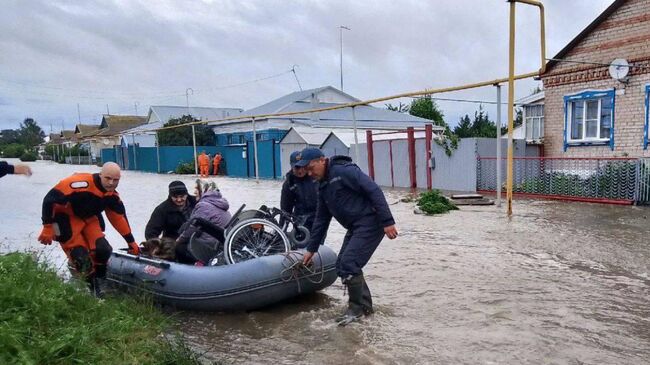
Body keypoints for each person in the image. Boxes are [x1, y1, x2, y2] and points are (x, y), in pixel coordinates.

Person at [297, 148, 398, 326]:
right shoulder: (323, 185)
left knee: (350, 263)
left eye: (311, 168)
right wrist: (311, 249)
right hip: (355, 226)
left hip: (371, 222)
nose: (310, 173)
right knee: (342, 265)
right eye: (307, 170)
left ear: (322, 160)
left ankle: (356, 311)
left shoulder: (343, 171)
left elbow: (374, 190)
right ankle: (365, 309)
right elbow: (321, 219)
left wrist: (387, 221)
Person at [38, 162, 139, 297]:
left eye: (116, 180)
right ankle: (91, 288)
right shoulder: (78, 184)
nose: (111, 183)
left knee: (104, 249)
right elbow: (49, 200)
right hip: (62, 218)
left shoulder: (112, 196)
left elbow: (119, 218)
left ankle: (101, 280)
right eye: (108, 178)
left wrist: (130, 241)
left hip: (88, 218)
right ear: (100, 175)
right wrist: (47, 226)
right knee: (80, 256)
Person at [176, 181, 231, 264]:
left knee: (179, 247)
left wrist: (178, 240)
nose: (194, 192)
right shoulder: (219, 203)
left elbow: (193, 227)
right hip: (220, 243)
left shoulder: (204, 205)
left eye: (197, 189)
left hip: (210, 246)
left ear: (204, 190)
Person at [280, 151, 318, 246]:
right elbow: (285, 210)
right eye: (296, 167)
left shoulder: (316, 177)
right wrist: (280, 230)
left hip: (318, 219)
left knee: (317, 247)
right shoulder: (289, 184)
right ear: (291, 166)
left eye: (302, 167)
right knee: (301, 248)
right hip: (301, 221)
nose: (300, 171)